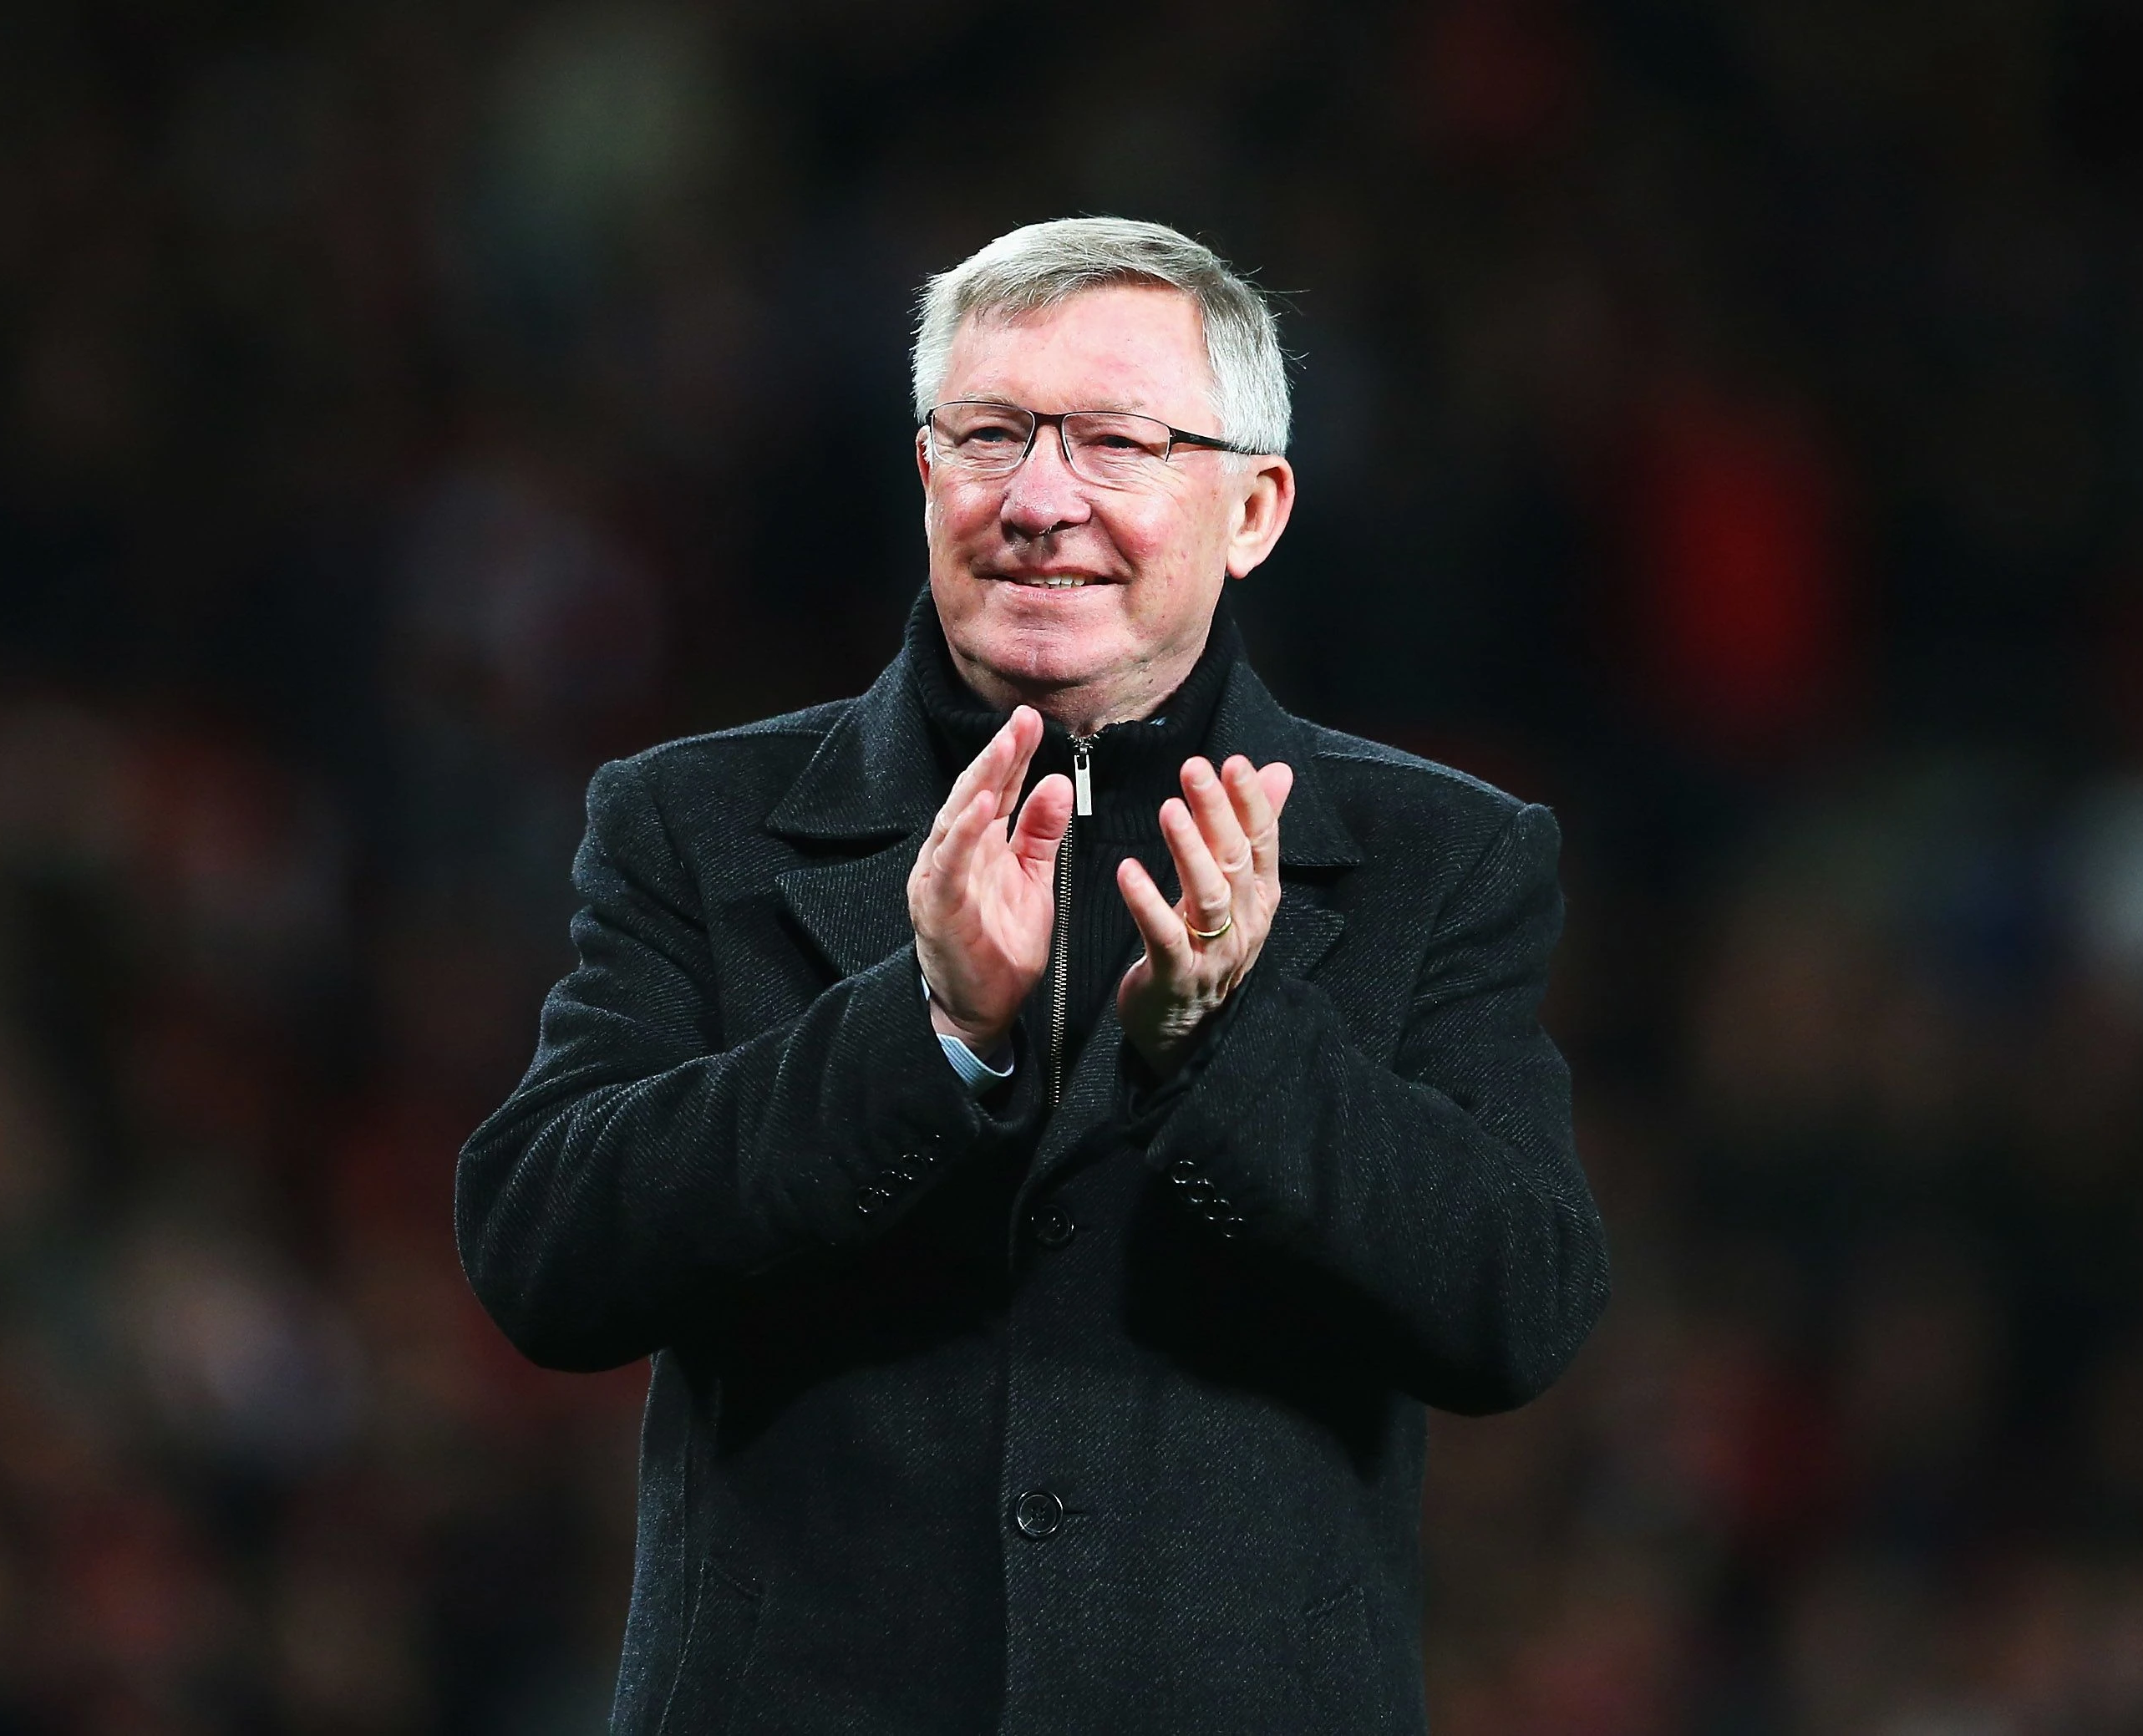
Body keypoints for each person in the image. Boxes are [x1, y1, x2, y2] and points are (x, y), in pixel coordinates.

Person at [456, 217, 1609, 1735]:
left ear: (1254, 508)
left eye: (1118, 442)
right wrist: (922, 1031)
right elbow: (544, 1252)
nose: (1039, 500)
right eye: (991, 434)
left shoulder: (1437, 855)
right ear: (926, 473)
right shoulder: (693, 820)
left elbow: (1517, 1305)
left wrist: (1231, 1044)